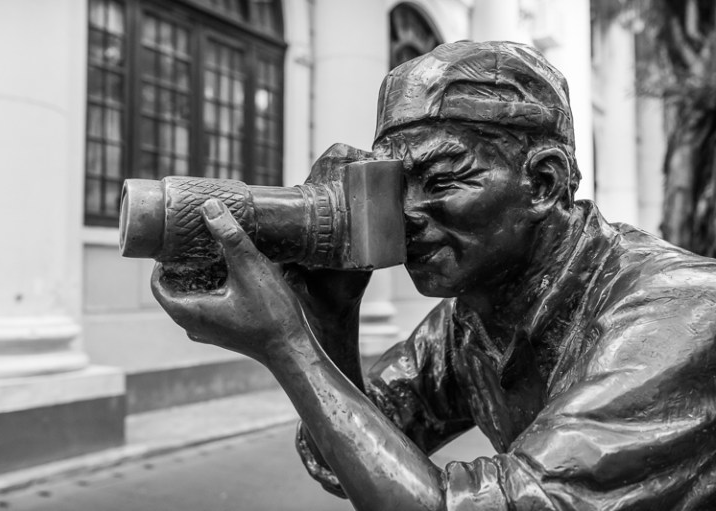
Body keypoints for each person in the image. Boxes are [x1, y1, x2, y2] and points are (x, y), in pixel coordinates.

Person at [152, 41, 716, 510]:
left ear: (543, 182)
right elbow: (340, 456)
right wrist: (330, 318)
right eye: (397, 188)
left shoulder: (680, 311)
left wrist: (286, 345)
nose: (407, 214)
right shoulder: (471, 317)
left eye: (442, 181)